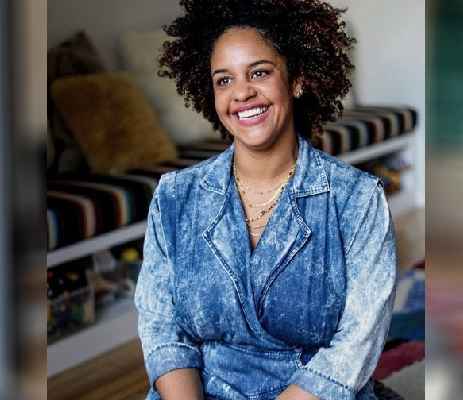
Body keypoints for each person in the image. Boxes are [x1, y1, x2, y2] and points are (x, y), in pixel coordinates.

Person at [134, 0, 397, 399]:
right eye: (224, 80)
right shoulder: (175, 196)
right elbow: (162, 328)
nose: (241, 92)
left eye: (259, 72)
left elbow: (353, 349)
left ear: (296, 80)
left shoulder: (357, 200)